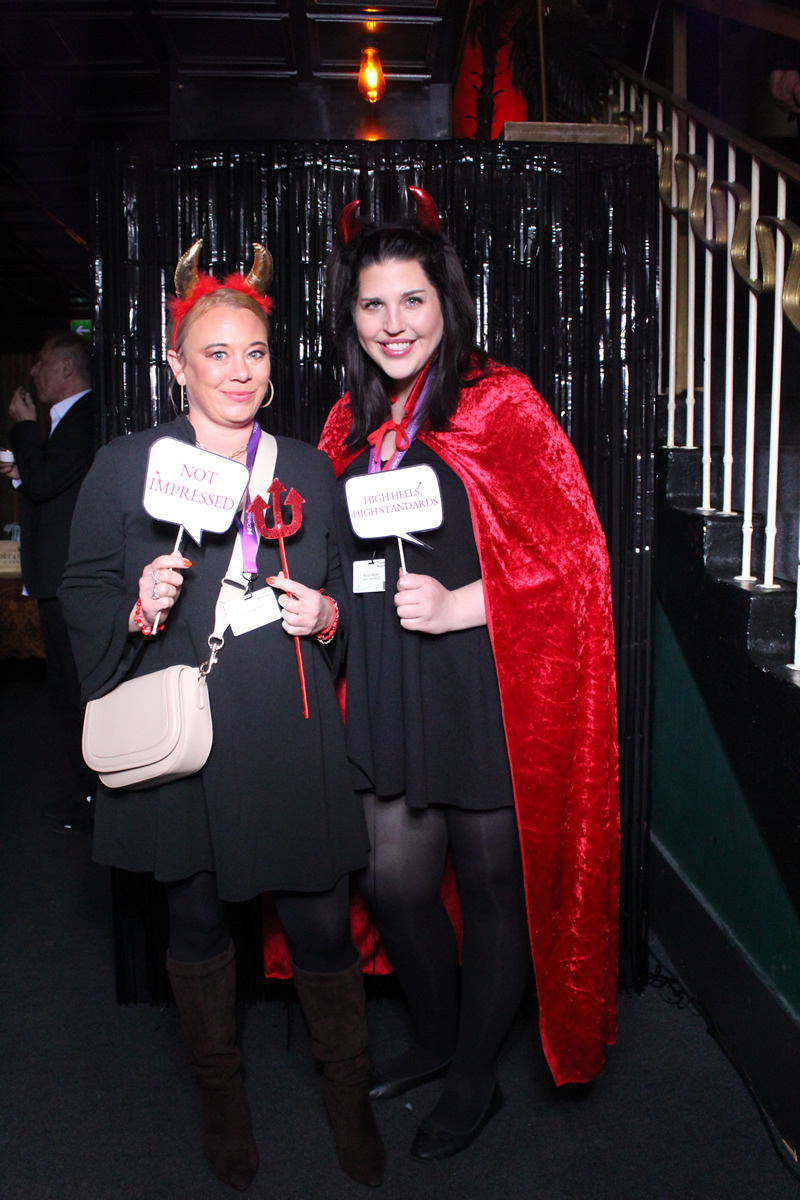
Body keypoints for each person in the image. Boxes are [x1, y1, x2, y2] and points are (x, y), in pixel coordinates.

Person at [59, 241, 385, 1191]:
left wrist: (326, 616)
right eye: (215, 354)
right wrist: (137, 603)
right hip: (188, 738)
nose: (238, 372)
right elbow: (81, 592)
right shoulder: (127, 468)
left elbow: (345, 600)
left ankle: (348, 1096)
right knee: (197, 924)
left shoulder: (309, 470)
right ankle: (221, 1099)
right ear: (176, 364)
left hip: (288, 732)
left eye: (254, 353)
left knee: (322, 926)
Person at [318, 189, 620, 1162]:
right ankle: (443, 1038)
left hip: (483, 684)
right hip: (387, 684)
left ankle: (473, 1077)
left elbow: (575, 558)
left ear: (445, 301)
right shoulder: (346, 421)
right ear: (350, 315)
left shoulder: (499, 401)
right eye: (373, 304)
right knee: (392, 881)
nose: (393, 323)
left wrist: (462, 605)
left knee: (493, 890)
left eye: (411, 300)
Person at [0, 332, 96, 831]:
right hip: (57, 579)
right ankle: (87, 791)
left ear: (66, 369)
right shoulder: (66, 420)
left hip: (71, 580)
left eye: (40, 363)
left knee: (78, 692)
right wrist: (23, 467)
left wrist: (22, 428)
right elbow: (50, 484)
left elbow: (44, 482)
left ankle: (94, 795)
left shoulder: (83, 416)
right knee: (65, 690)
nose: (33, 372)